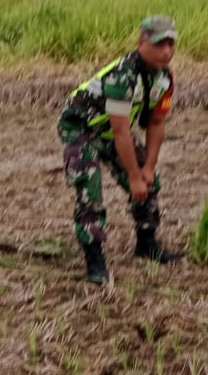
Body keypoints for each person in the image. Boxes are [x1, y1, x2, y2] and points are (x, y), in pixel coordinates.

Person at [58, 15, 184, 284]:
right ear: (142, 42)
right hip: (81, 127)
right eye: (160, 44)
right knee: (89, 186)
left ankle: (147, 244)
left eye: (171, 44)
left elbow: (156, 122)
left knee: (151, 182)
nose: (167, 51)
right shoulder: (123, 76)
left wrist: (147, 169)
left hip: (109, 131)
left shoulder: (164, 79)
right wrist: (133, 176)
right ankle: (94, 259)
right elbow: (121, 131)